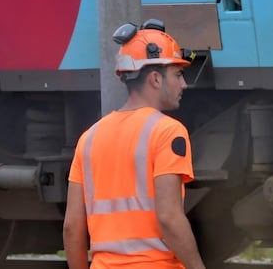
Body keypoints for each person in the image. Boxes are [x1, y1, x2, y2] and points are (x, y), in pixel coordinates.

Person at [63, 19, 206, 269]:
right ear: (155, 79)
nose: (184, 84)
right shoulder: (168, 132)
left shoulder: (89, 138)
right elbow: (169, 217)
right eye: (178, 74)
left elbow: (72, 226)